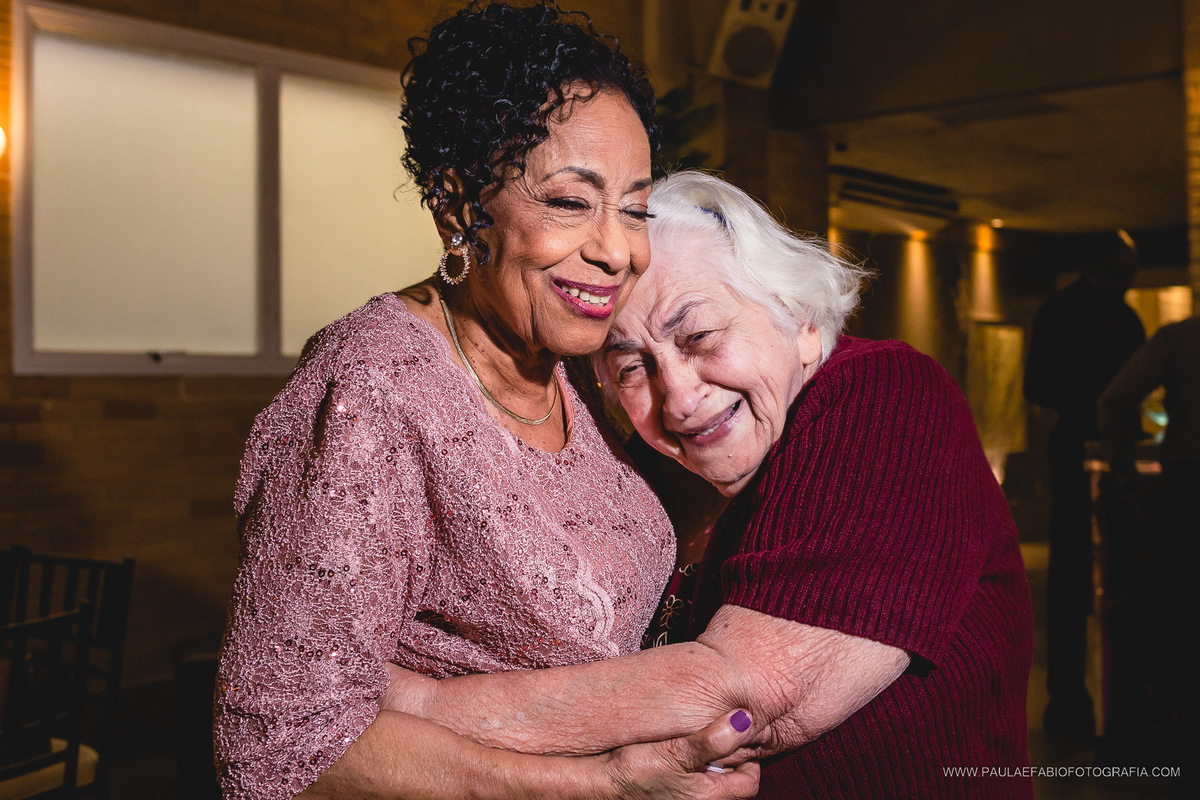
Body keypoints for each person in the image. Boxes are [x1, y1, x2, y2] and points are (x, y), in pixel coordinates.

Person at [213, 5, 758, 800]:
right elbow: (279, 744)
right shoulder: (373, 387)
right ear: (458, 203)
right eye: (571, 202)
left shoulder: (574, 366)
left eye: (635, 206)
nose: (618, 249)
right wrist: (603, 786)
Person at [383, 171, 1035, 799]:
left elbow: (737, 696)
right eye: (631, 366)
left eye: (698, 335)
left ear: (800, 318)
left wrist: (412, 704)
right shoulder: (649, 469)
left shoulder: (885, 397)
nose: (680, 397)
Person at [1023, 236, 1145, 737]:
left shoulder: (1086, 312)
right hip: (1086, 453)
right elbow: (1040, 386)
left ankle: (1076, 701)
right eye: (1122, 272)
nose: (1128, 282)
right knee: (1080, 578)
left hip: (1091, 451)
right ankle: (1074, 700)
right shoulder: (1084, 313)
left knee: (1086, 578)